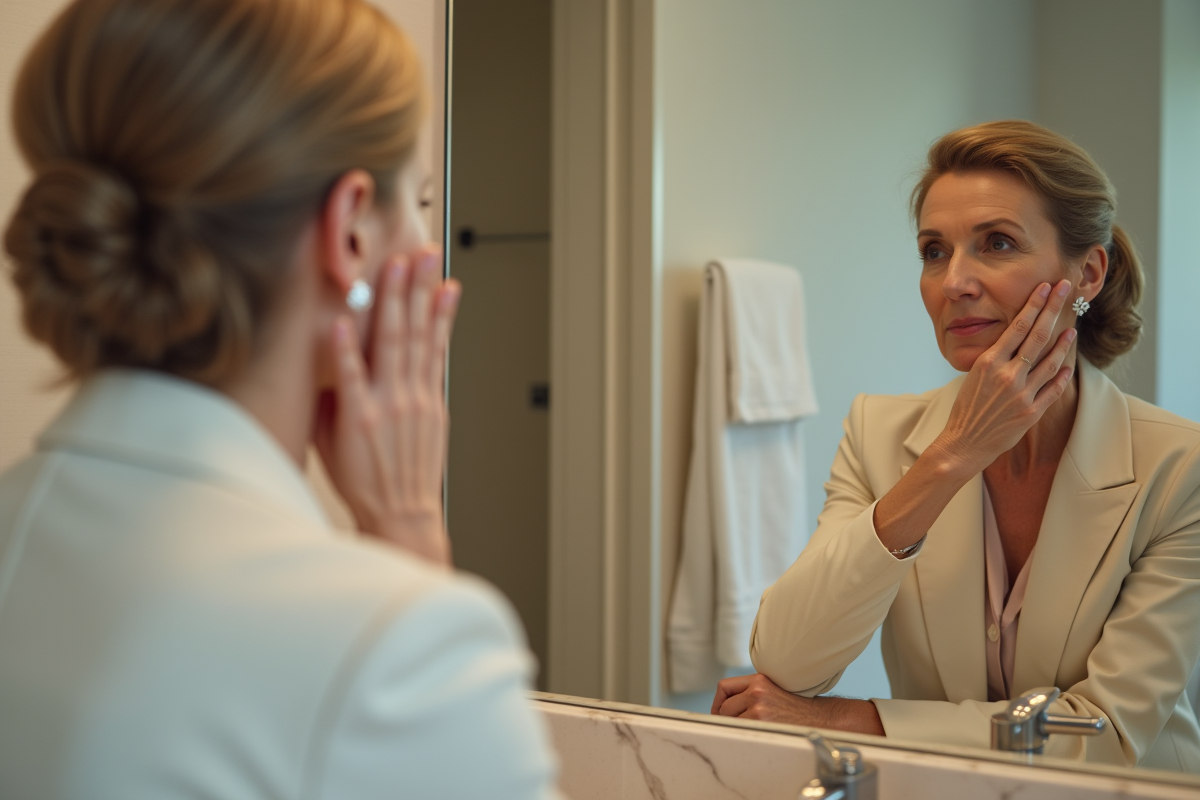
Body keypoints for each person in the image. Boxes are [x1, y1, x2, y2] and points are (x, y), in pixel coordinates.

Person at [0, 0, 560, 797]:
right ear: (351, 234)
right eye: (422, 205)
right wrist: (409, 540)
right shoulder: (397, 653)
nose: (428, 254)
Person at [712, 120, 1200, 772]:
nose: (954, 283)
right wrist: (948, 460)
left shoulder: (1180, 469)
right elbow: (788, 661)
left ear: (1087, 273)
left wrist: (860, 720)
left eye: (996, 243)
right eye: (934, 251)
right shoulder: (876, 435)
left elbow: (1103, 732)